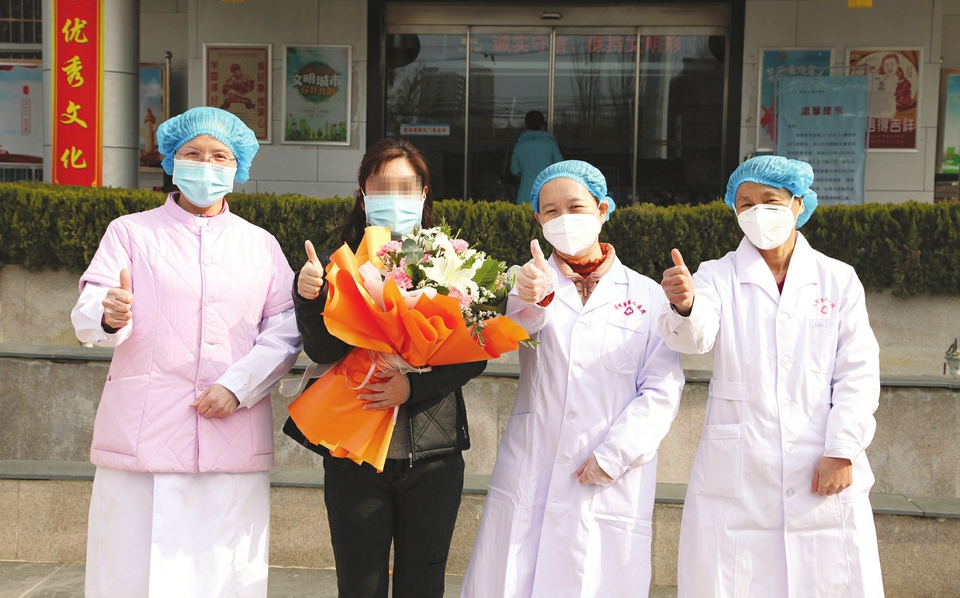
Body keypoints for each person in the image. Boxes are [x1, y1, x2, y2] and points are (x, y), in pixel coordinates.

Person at [72, 107, 302, 597]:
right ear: (172, 161)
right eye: (193, 154)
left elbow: (286, 329)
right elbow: (91, 306)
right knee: (130, 571)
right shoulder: (130, 233)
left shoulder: (260, 245)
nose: (206, 165)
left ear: (238, 166)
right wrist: (110, 313)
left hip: (229, 427)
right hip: (143, 432)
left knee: (223, 573)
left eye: (220, 156)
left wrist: (238, 387)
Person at [657, 155, 883, 597]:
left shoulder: (837, 279)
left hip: (821, 457)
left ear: (798, 204)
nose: (758, 212)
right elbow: (695, 338)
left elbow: (858, 371)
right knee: (736, 579)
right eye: (745, 204)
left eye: (771, 201)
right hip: (742, 466)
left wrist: (842, 450)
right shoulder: (717, 275)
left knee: (826, 578)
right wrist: (685, 306)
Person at [461, 160, 685, 597]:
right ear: (538, 220)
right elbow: (512, 331)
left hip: (611, 472)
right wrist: (529, 297)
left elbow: (661, 388)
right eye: (551, 210)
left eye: (576, 206)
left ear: (602, 210)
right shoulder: (526, 282)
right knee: (513, 578)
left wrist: (615, 455)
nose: (564, 218)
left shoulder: (647, 295)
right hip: (534, 463)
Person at [282, 137, 486, 598]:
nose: (394, 197)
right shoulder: (337, 266)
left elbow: (474, 352)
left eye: (405, 187)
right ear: (363, 195)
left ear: (424, 194)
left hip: (433, 455)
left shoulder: (452, 264)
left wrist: (411, 389)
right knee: (360, 585)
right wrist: (310, 299)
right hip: (354, 457)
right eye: (381, 186)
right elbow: (323, 351)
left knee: (423, 584)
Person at [511, 110, 563, 205]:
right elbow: (559, 167)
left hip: (525, 190)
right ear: (543, 125)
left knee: (524, 213)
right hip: (546, 189)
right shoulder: (550, 143)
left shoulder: (520, 145)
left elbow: (514, 170)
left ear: (526, 125)